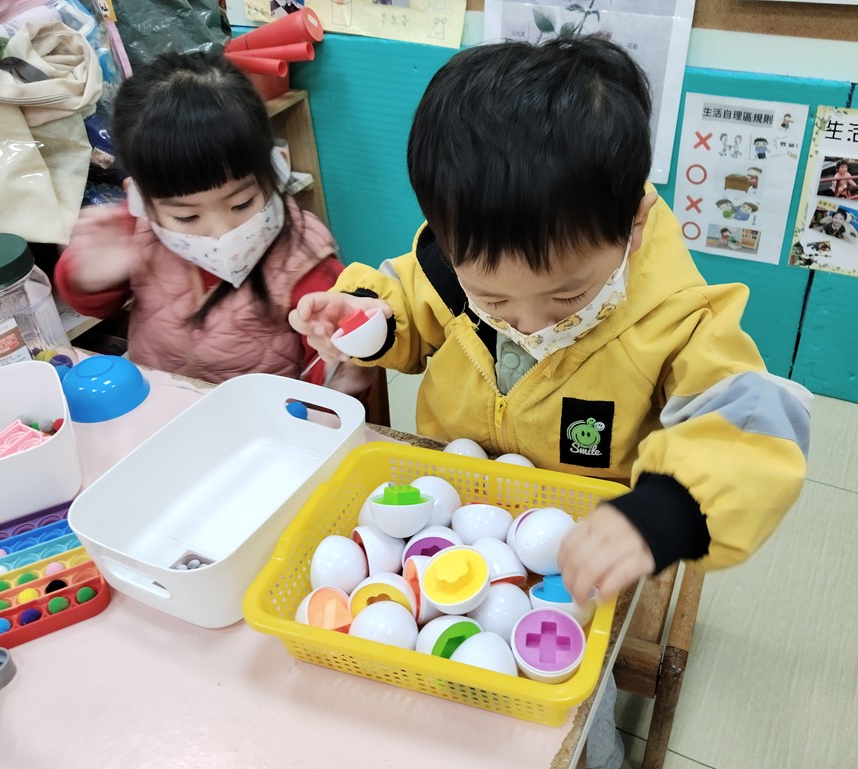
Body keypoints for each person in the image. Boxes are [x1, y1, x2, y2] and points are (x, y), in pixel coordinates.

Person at [290, 36, 811, 769]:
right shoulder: (447, 266)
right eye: (494, 298)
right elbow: (410, 303)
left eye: (566, 294)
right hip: (457, 510)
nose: (528, 321)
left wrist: (662, 512)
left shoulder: (676, 316)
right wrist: (370, 322)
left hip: (587, 542)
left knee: (565, 704)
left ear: (632, 225)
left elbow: (753, 424)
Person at [54, 51, 372, 393]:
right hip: (166, 404)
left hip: (263, 415)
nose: (221, 231)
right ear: (139, 200)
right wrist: (90, 278)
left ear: (278, 168)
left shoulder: (304, 257)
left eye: (242, 203)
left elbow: (329, 372)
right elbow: (96, 306)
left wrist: (341, 374)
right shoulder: (134, 230)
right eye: (187, 216)